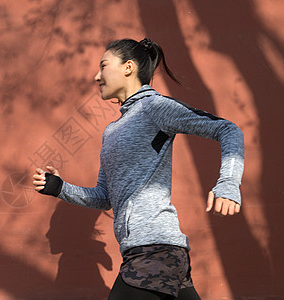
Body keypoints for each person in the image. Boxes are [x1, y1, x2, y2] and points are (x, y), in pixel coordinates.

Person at [32, 38, 244, 299]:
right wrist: (60, 187)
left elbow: (227, 129)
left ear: (128, 67)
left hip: (154, 250)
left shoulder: (154, 108)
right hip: (148, 252)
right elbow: (104, 198)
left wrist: (228, 183)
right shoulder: (111, 132)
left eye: (104, 66)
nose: (97, 76)